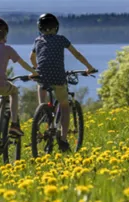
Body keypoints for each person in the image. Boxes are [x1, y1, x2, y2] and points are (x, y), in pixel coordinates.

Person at [30, 13, 96, 151]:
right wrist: (89, 67)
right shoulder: (61, 39)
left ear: (40, 28)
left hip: (42, 76)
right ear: (56, 27)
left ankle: (42, 109)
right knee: (65, 106)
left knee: (41, 83)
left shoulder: (38, 41)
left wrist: (36, 69)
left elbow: (32, 58)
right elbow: (76, 54)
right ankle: (63, 140)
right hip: (58, 77)